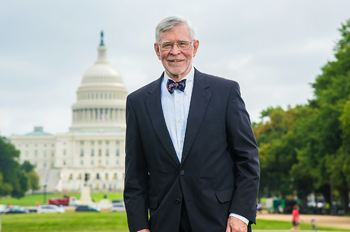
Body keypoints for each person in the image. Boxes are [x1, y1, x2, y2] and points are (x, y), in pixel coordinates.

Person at [124, 15, 260, 232]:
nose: (175, 52)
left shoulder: (225, 92)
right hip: (164, 223)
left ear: (194, 47)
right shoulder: (137, 102)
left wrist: (240, 215)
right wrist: (139, 226)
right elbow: (135, 175)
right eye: (167, 45)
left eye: (182, 44)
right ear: (157, 50)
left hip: (221, 222)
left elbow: (247, 159)